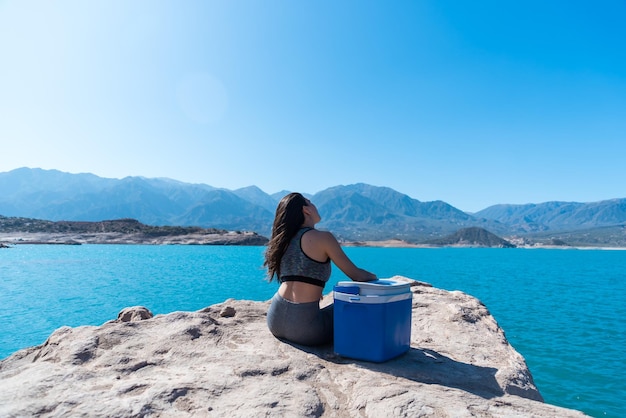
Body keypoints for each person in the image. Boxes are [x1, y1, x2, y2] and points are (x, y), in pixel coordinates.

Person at [264, 192, 377, 346]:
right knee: (358, 304)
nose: (314, 205)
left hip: (275, 320)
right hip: (305, 330)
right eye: (310, 202)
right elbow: (357, 276)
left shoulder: (283, 240)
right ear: (306, 210)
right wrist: (377, 279)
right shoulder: (323, 238)